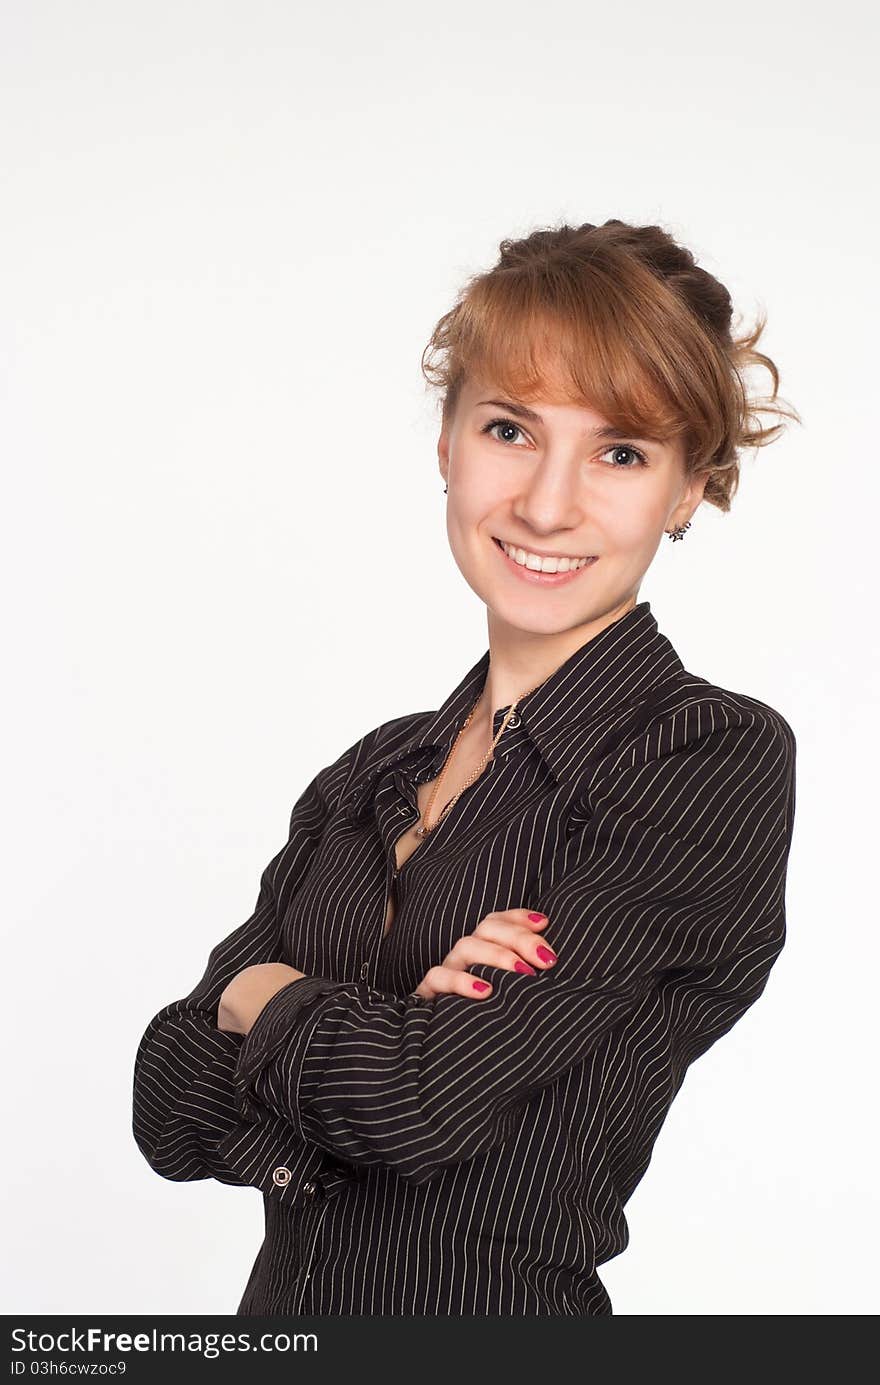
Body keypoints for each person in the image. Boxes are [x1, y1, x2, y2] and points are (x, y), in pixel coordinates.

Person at [132, 218, 800, 1316]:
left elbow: (414, 1105)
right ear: (446, 441)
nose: (545, 503)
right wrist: (355, 1019)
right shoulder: (374, 771)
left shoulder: (703, 756)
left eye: (621, 451)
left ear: (689, 490)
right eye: (509, 428)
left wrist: (259, 997)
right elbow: (166, 1101)